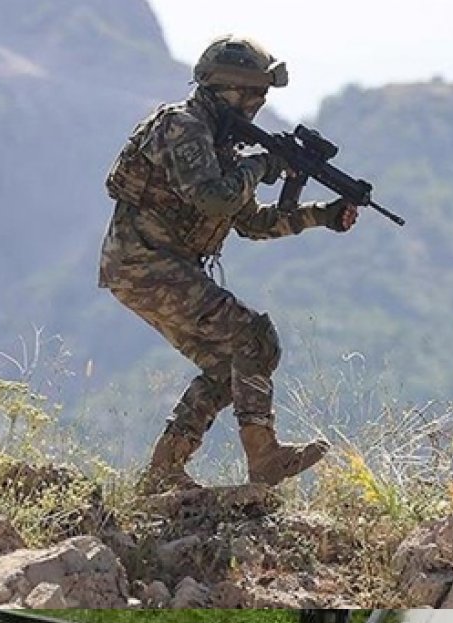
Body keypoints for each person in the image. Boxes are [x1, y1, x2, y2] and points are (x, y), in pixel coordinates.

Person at [97, 34, 358, 494]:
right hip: (144, 264)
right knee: (253, 337)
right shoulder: (184, 127)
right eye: (254, 93)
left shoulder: (219, 145)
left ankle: (163, 471)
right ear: (226, 90)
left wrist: (324, 215)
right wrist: (263, 165)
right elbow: (214, 199)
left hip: (153, 267)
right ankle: (265, 459)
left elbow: (253, 223)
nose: (259, 104)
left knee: (228, 367)